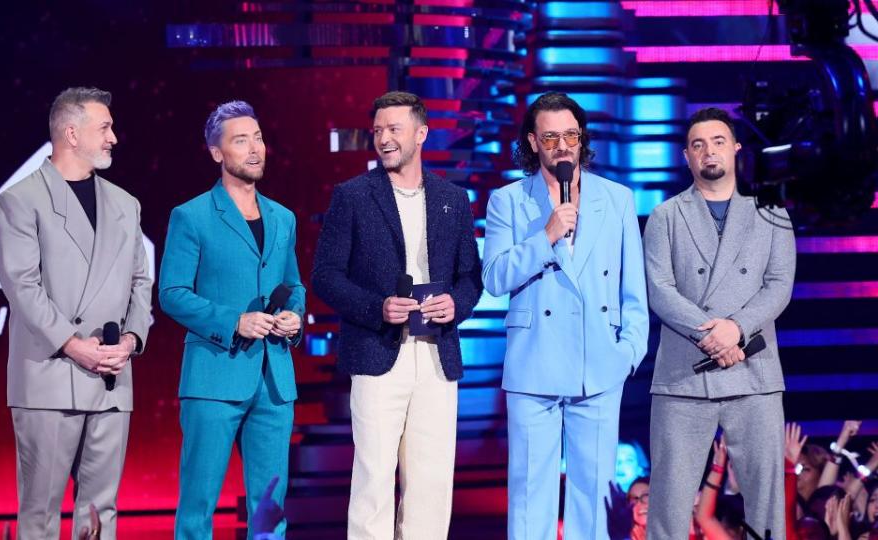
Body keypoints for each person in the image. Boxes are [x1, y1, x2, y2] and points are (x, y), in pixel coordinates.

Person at [311, 91, 482, 538]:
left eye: (394, 129)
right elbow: (325, 276)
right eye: (378, 131)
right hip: (376, 352)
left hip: (436, 355)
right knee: (373, 479)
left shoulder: (452, 198)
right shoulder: (352, 196)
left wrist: (456, 305)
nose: (384, 139)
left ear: (421, 134)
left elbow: (471, 278)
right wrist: (377, 307)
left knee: (431, 482)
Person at [482, 91, 649, 540]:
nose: (562, 145)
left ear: (582, 139)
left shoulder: (616, 199)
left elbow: (634, 288)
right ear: (533, 142)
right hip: (534, 362)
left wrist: (628, 352)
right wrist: (547, 235)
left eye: (570, 135)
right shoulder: (508, 201)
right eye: (551, 136)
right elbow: (495, 276)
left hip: (600, 364)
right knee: (529, 492)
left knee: (592, 493)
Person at [0, 87, 152, 539]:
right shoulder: (20, 201)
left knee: (102, 511)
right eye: (104, 128)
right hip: (49, 376)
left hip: (111, 376)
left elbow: (141, 282)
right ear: (71, 133)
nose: (114, 138)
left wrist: (131, 340)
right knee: (40, 512)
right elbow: (23, 288)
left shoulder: (125, 204)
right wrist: (73, 344)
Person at [643, 107, 797, 540]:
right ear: (686, 158)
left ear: (735, 150)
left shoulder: (770, 212)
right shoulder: (665, 217)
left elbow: (779, 285)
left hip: (754, 374)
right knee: (669, 504)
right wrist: (712, 334)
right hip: (683, 377)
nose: (708, 151)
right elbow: (660, 289)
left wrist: (737, 328)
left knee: (766, 503)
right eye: (698, 144)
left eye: (717, 142)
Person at [159, 100, 305, 539]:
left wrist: (293, 317)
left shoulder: (283, 217)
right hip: (214, 375)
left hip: (274, 379)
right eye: (241, 141)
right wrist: (233, 321)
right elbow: (171, 293)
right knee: (199, 505)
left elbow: (293, 285)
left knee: (269, 509)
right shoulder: (191, 216)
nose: (254, 148)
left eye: (257, 137)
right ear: (217, 152)